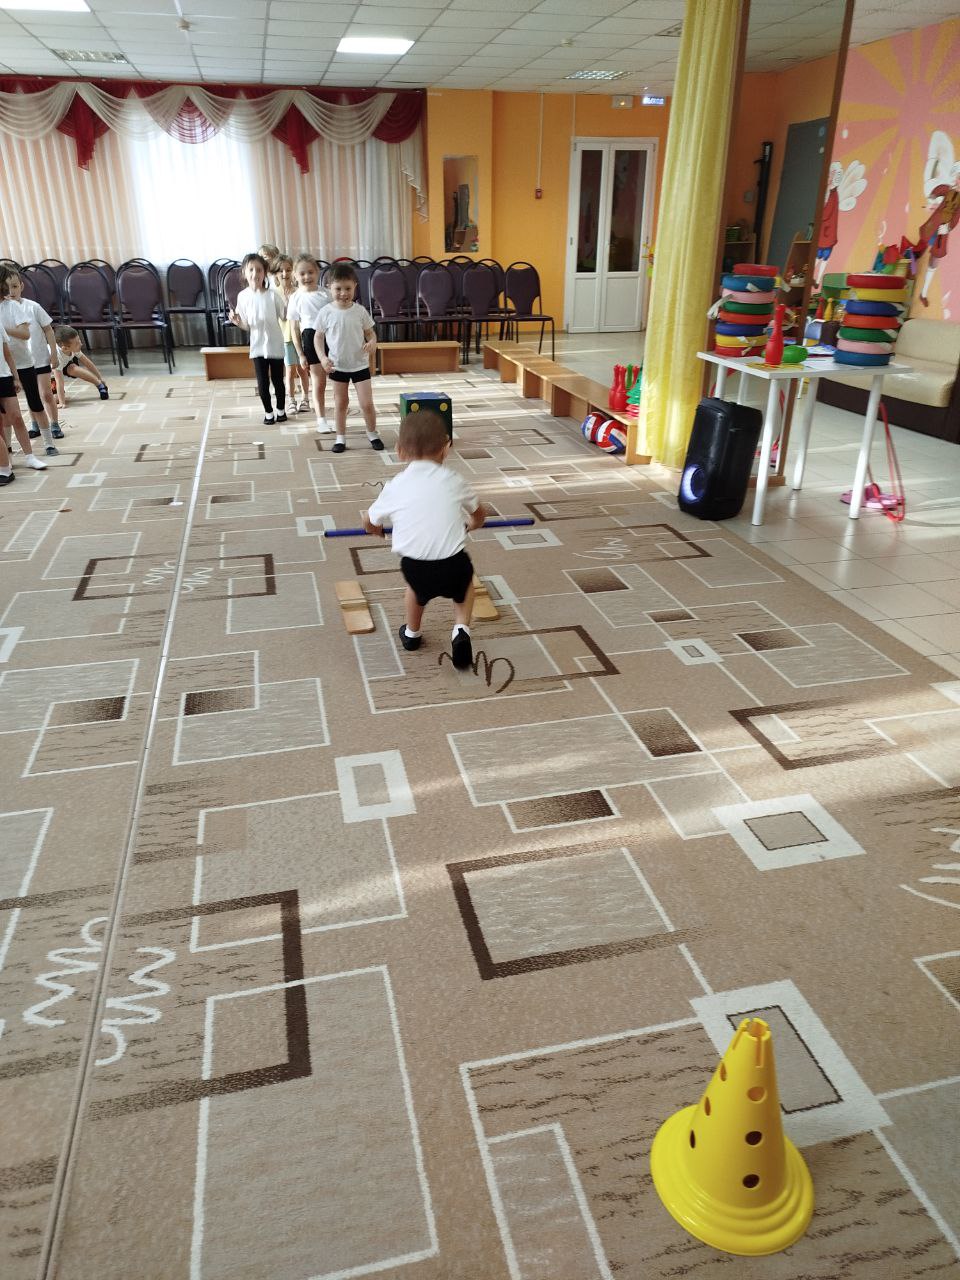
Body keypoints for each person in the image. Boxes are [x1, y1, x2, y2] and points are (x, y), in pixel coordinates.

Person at [364, 409, 486, 670]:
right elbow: (479, 514)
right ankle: (461, 629)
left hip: (416, 566)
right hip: (454, 563)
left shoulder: (395, 486)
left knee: (415, 591)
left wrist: (378, 531)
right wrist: (471, 525)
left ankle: (412, 633)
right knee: (465, 587)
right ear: (446, 448)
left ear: (399, 451)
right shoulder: (455, 480)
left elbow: (370, 521)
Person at [317, 263, 381, 453]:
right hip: (337, 366)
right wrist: (322, 358)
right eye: (338, 289)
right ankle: (340, 438)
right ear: (329, 287)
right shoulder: (326, 312)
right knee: (341, 403)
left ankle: (372, 433)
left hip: (360, 365)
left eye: (348, 288)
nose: (343, 293)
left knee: (366, 403)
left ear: (355, 287)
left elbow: (370, 333)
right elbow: (318, 337)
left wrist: (372, 342)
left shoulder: (360, 311)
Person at [0, 267, 61, 455]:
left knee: (37, 400)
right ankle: (8, 448)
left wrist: (2, 329)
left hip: (26, 363)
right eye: (6, 286)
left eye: (14, 286)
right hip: (4, 368)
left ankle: (49, 443)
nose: (10, 291)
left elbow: (26, 334)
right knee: (6, 412)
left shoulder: (19, 307)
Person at [229, 252, 287, 424]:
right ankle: (268, 412)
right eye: (251, 270)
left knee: (278, 381)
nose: (255, 274)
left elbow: (284, 316)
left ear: (265, 273)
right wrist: (237, 322)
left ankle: (281, 410)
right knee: (262, 382)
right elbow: (246, 325)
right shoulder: (242, 296)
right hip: (257, 346)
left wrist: (289, 300)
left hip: (275, 345)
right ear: (244, 273)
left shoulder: (273, 295)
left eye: (259, 270)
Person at [287, 254, 331, 434]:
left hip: (330, 337)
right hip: (310, 337)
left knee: (338, 381)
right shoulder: (295, 298)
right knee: (319, 383)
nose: (307, 277)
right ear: (295, 276)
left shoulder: (327, 294)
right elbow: (294, 328)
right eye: (302, 273)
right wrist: (300, 354)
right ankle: (321, 420)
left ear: (317, 272)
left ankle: (340, 415)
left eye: (311, 272)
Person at [0, 321, 47, 478]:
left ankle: (30, 457)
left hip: (4, 376)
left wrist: (16, 377)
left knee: (17, 417)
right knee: (1, 423)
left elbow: (7, 354)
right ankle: (6, 460)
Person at [273, 254, 310, 413]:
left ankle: (305, 399)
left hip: (301, 337)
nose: (284, 274)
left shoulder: (299, 291)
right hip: (285, 337)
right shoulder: (273, 293)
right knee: (289, 370)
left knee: (303, 369)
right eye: (280, 271)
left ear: (293, 272)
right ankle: (292, 400)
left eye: (288, 270)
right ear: (275, 273)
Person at [54, 327, 108, 405]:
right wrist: (62, 402)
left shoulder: (73, 349)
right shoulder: (56, 357)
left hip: (63, 364)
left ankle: (99, 384)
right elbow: (59, 380)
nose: (81, 344)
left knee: (73, 369)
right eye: (77, 343)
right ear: (65, 348)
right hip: (48, 373)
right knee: (55, 399)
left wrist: (100, 378)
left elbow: (88, 363)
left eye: (79, 340)